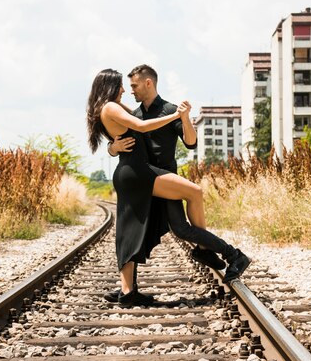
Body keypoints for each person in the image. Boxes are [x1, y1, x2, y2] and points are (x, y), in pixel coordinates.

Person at [87, 68, 250, 306]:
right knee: (190, 196)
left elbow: (190, 142)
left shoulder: (139, 108)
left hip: (152, 175)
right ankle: (229, 253)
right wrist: (113, 148)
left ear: (148, 83)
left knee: (141, 231)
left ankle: (128, 291)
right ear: (110, 86)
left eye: (132, 86)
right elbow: (138, 128)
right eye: (124, 86)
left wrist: (181, 117)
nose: (126, 90)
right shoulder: (122, 110)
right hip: (143, 174)